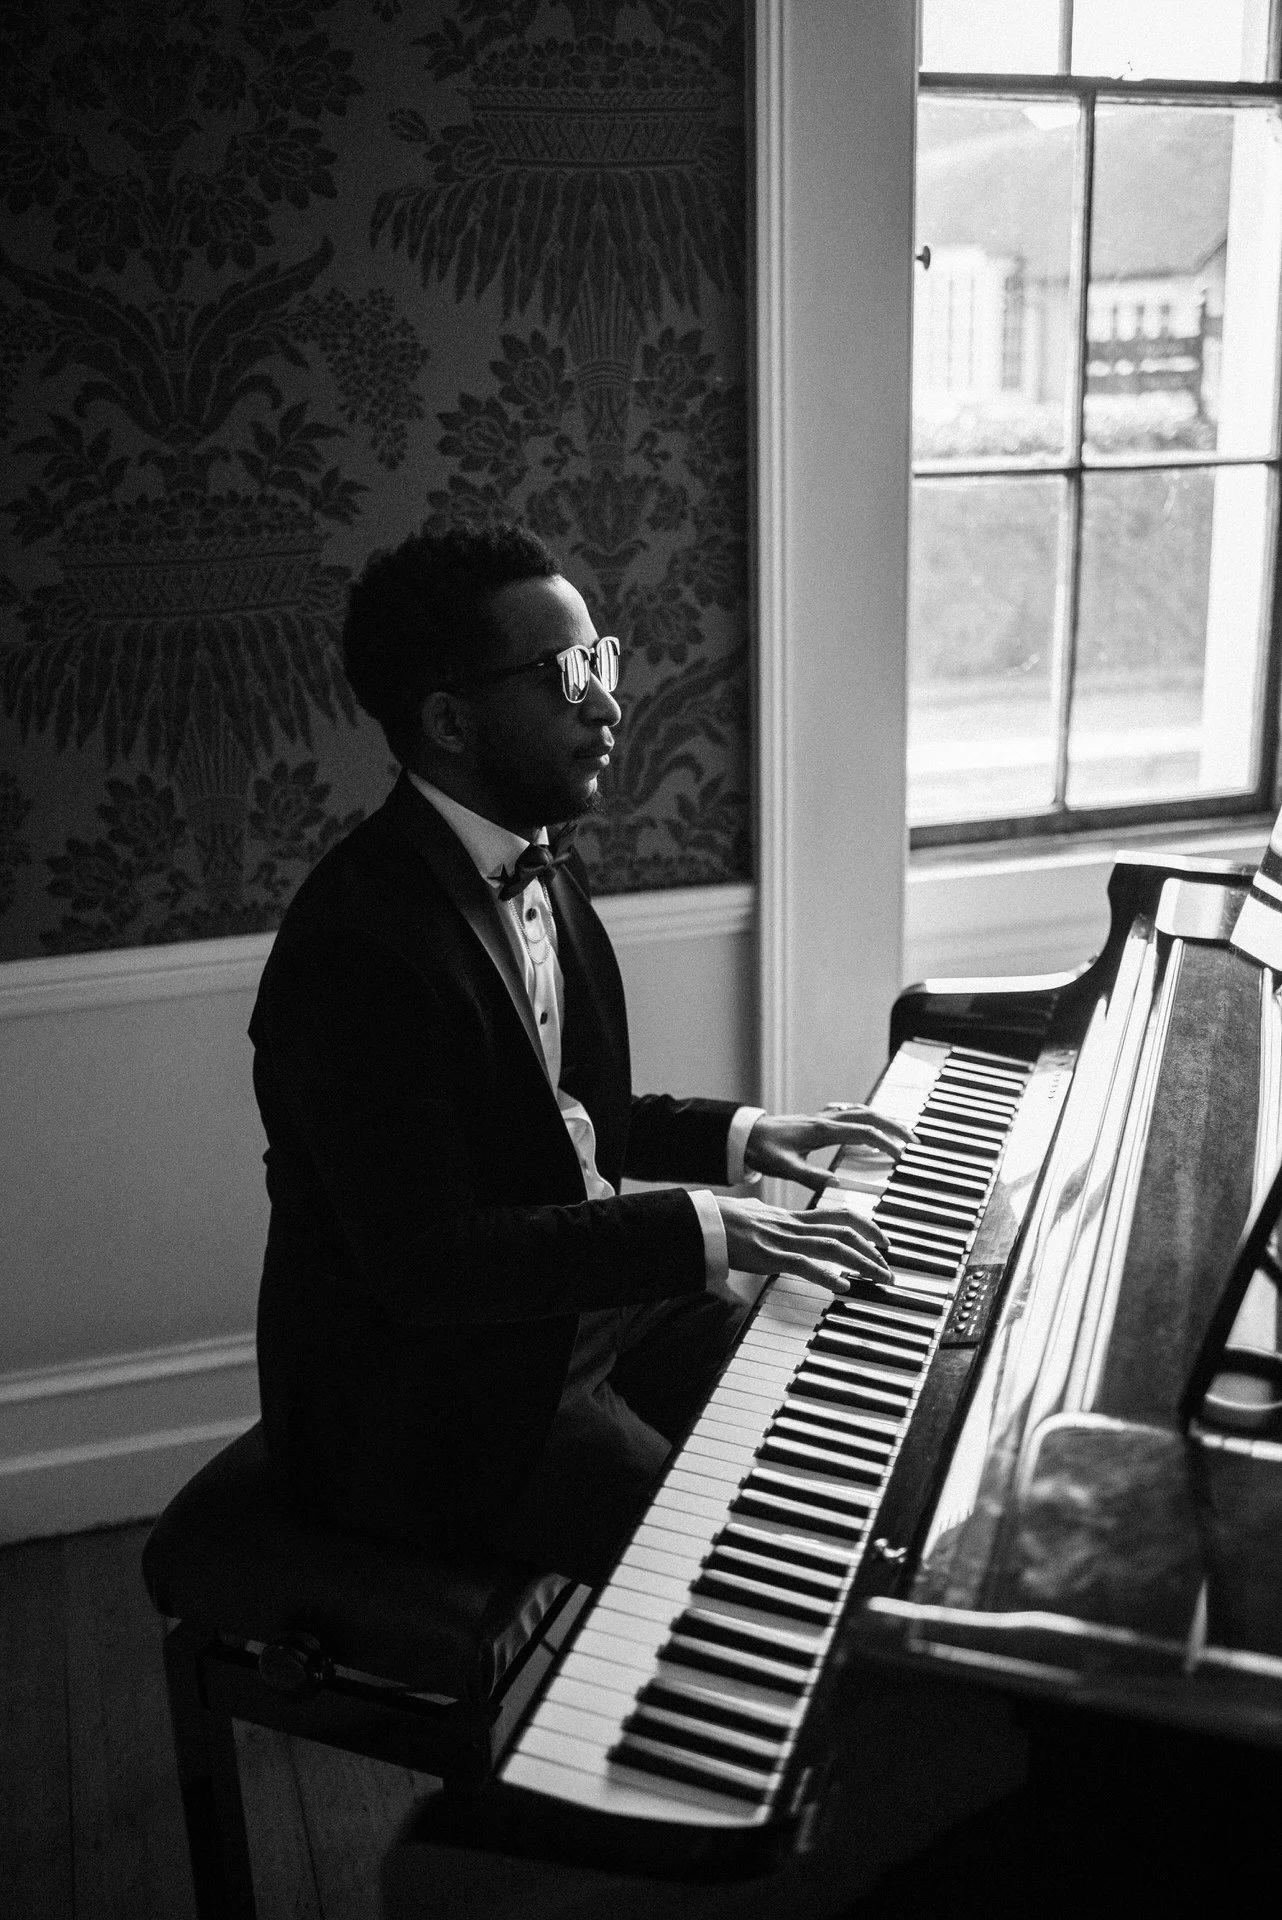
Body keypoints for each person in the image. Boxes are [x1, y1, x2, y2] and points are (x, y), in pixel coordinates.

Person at [250, 520, 911, 1582]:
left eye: (599, 662)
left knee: (829, 1411)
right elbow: (428, 1267)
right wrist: (703, 1225)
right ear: (450, 721)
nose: (607, 702)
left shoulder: (530, 856)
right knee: (737, 1564)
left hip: (573, 1308)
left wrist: (745, 1138)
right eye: (566, 675)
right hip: (433, 1398)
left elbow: (554, 1109)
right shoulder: (356, 950)